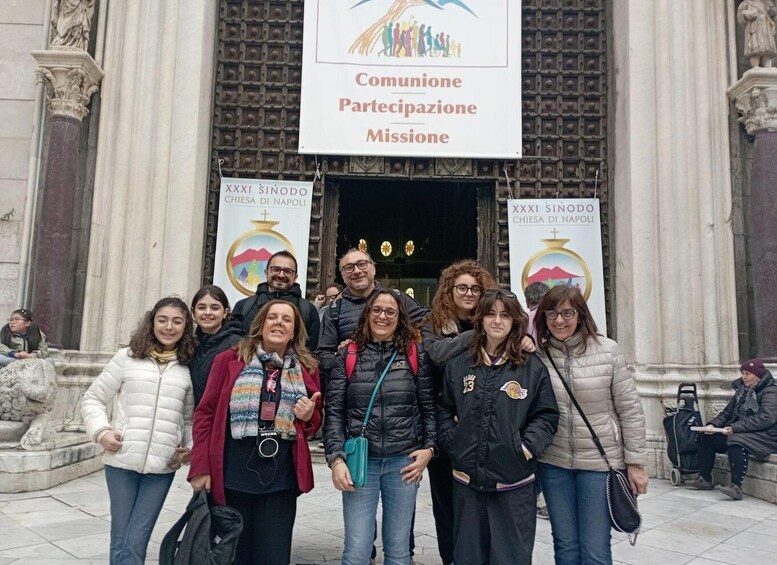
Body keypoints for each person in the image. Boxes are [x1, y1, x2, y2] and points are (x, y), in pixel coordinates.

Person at [189, 300, 323, 565]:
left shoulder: (307, 368)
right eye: (272, 317)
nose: (278, 322)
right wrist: (200, 467)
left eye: (287, 319)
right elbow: (205, 414)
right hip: (233, 476)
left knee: (274, 557)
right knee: (235, 555)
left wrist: (309, 416)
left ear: (294, 332)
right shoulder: (229, 360)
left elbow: (314, 420)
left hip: (280, 479)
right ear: (261, 325)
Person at [317, 249, 428, 561]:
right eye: (349, 267)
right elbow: (334, 407)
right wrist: (335, 457)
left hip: (402, 456)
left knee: (399, 549)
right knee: (356, 549)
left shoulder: (412, 351)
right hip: (360, 453)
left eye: (362, 264)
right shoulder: (337, 315)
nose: (382, 316)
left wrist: (429, 447)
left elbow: (426, 404)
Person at [437, 289, 559, 564]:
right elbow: (443, 407)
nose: (497, 321)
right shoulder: (459, 364)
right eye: (490, 314)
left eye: (505, 315)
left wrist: (524, 448)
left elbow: (546, 415)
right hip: (467, 482)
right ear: (480, 319)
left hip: (513, 483)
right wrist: (453, 441)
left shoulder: (531, 367)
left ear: (515, 321)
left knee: (510, 558)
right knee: (469, 557)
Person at [534, 285, 648, 565]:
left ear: (580, 315)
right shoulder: (538, 356)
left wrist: (635, 462)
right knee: (565, 546)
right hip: (554, 463)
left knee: (595, 548)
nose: (559, 320)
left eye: (567, 313)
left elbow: (630, 409)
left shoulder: (607, 350)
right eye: (551, 313)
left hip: (599, 465)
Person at [81, 296, 196, 565]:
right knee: (121, 537)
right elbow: (93, 398)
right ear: (152, 322)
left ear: (185, 327)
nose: (169, 327)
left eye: (177, 321)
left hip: (162, 466)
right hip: (121, 460)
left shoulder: (188, 366)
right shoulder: (127, 357)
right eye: (162, 320)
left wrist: (190, 448)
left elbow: (189, 418)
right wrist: (102, 432)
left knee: (137, 539)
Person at [420, 259, 497, 565]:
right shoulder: (433, 324)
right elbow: (437, 355)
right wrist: (478, 332)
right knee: (446, 502)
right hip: (444, 425)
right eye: (461, 288)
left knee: (482, 502)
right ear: (449, 291)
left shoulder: (497, 321)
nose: (468, 293)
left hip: (485, 427)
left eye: (475, 289)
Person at [687, 358, 777, 500]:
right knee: (707, 436)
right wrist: (713, 425)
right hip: (743, 431)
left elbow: (767, 418)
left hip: (766, 436)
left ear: (758, 375)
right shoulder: (742, 391)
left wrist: (735, 427)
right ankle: (704, 479)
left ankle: (736, 487)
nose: (744, 377)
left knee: (736, 440)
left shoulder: (770, 392)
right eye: (743, 373)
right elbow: (727, 413)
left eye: (748, 374)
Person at [233, 250, 320, 352]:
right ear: (266, 272)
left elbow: (310, 350)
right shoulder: (243, 306)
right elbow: (233, 343)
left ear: (295, 277)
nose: (281, 275)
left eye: (288, 271)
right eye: (276, 269)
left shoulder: (308, 310)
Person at [189, 285, 244, 406]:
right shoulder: (189, 344)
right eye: (201, 308)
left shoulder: (236, 345)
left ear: (225, 312)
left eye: (215, 308)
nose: (207, 313)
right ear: (193, 313)